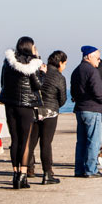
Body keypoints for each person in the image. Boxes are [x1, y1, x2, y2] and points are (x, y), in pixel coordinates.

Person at [0, 36, 45, 189]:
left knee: (15, 140)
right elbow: (38, 85)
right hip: (26, 106)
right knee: (25, 141)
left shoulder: (8, 62)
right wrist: (42, 72)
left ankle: (15, 174)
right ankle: (23, 176)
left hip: (10, 104)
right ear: (30, 47)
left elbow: (2, 82)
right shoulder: (33, 63)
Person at [27, 50, 67, 184]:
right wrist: (55, 106)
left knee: (31, 142)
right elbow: (62, 98)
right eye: (65, 63)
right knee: (46, 143)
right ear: (60, 63)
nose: (65, 66)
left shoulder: (39, 70)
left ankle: (27, 169)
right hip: (50, 112)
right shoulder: (59, 77)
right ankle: (47, 174)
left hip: (35, 110)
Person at [70, 45, 102, 177]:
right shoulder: (92, 71)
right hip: (92, 109)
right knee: (94, 141)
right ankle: (91, 169)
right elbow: (98, 90)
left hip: (80, 109)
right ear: (90, 56)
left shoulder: (76, 71)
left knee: (81, 142)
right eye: (97, 58)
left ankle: (79, 169)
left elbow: (72, 91)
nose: (99, 61)